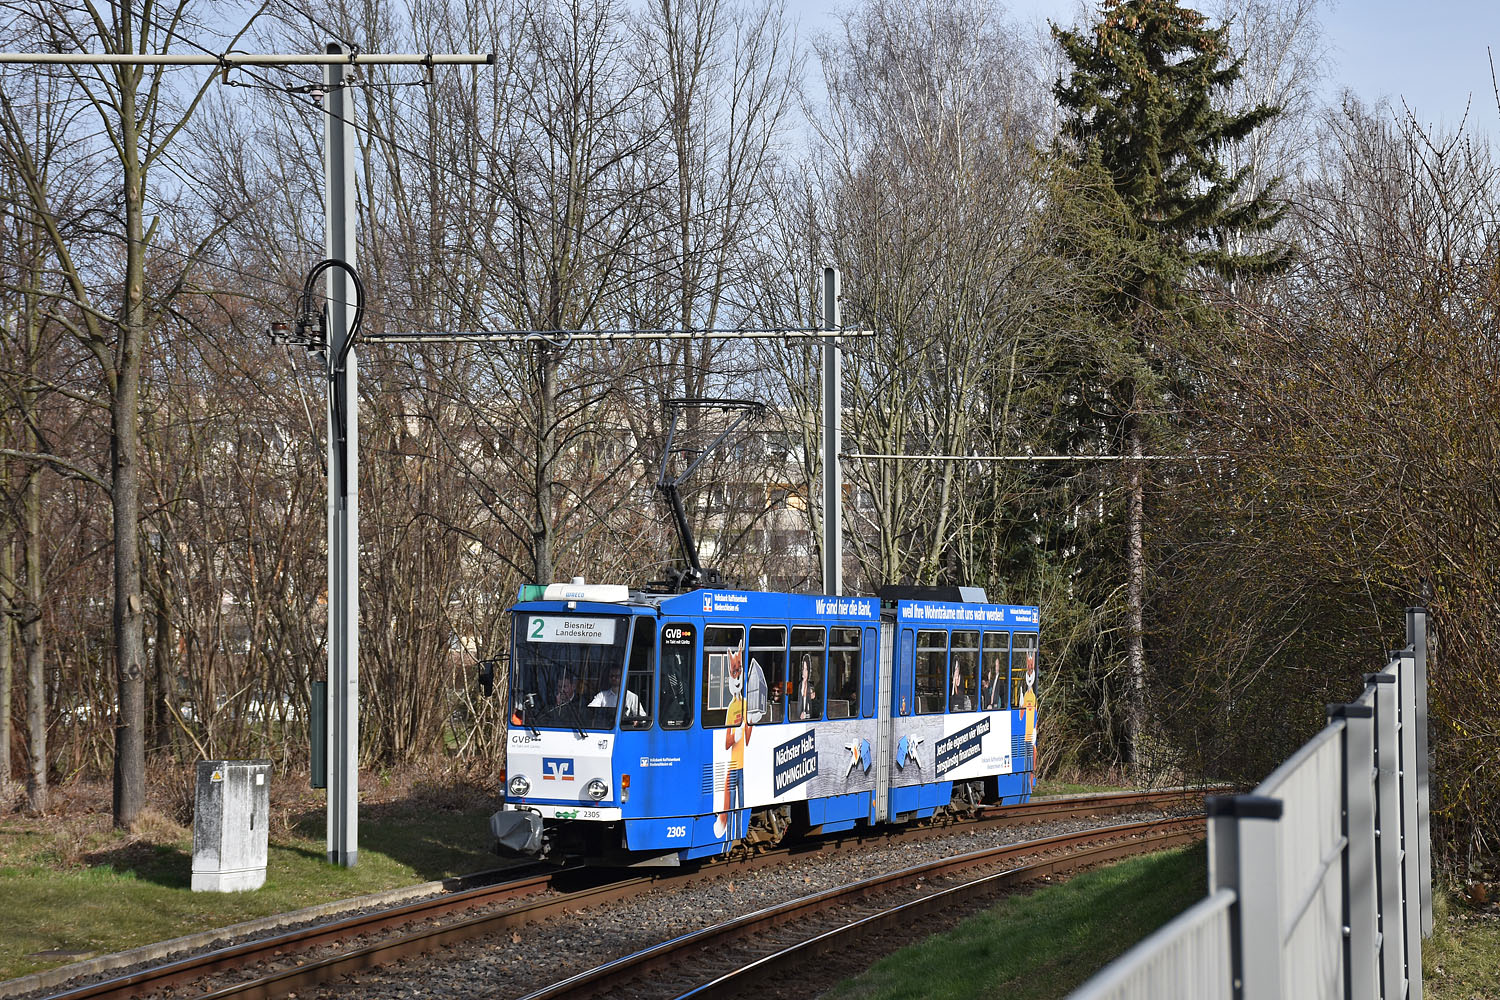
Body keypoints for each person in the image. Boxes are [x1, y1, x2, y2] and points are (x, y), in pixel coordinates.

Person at [714, 645, 752, 839]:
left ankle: (738, 833)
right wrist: (737, 733)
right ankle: (729, 827)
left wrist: (750, 723)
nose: (735, 675)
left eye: (737, 670)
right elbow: (727, 743)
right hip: (734, 765)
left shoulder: (746, 704)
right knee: (732, 797)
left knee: (742, 802)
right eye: (732, 671)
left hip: (744, 765)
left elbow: (749, 738)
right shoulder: (731, 708)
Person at [796, 654, 818, 720]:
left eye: (806, 669)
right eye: (803, 669)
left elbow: (814, 711)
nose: (803, 672)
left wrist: (806, 716)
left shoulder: (810, 687)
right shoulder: (800, 685)